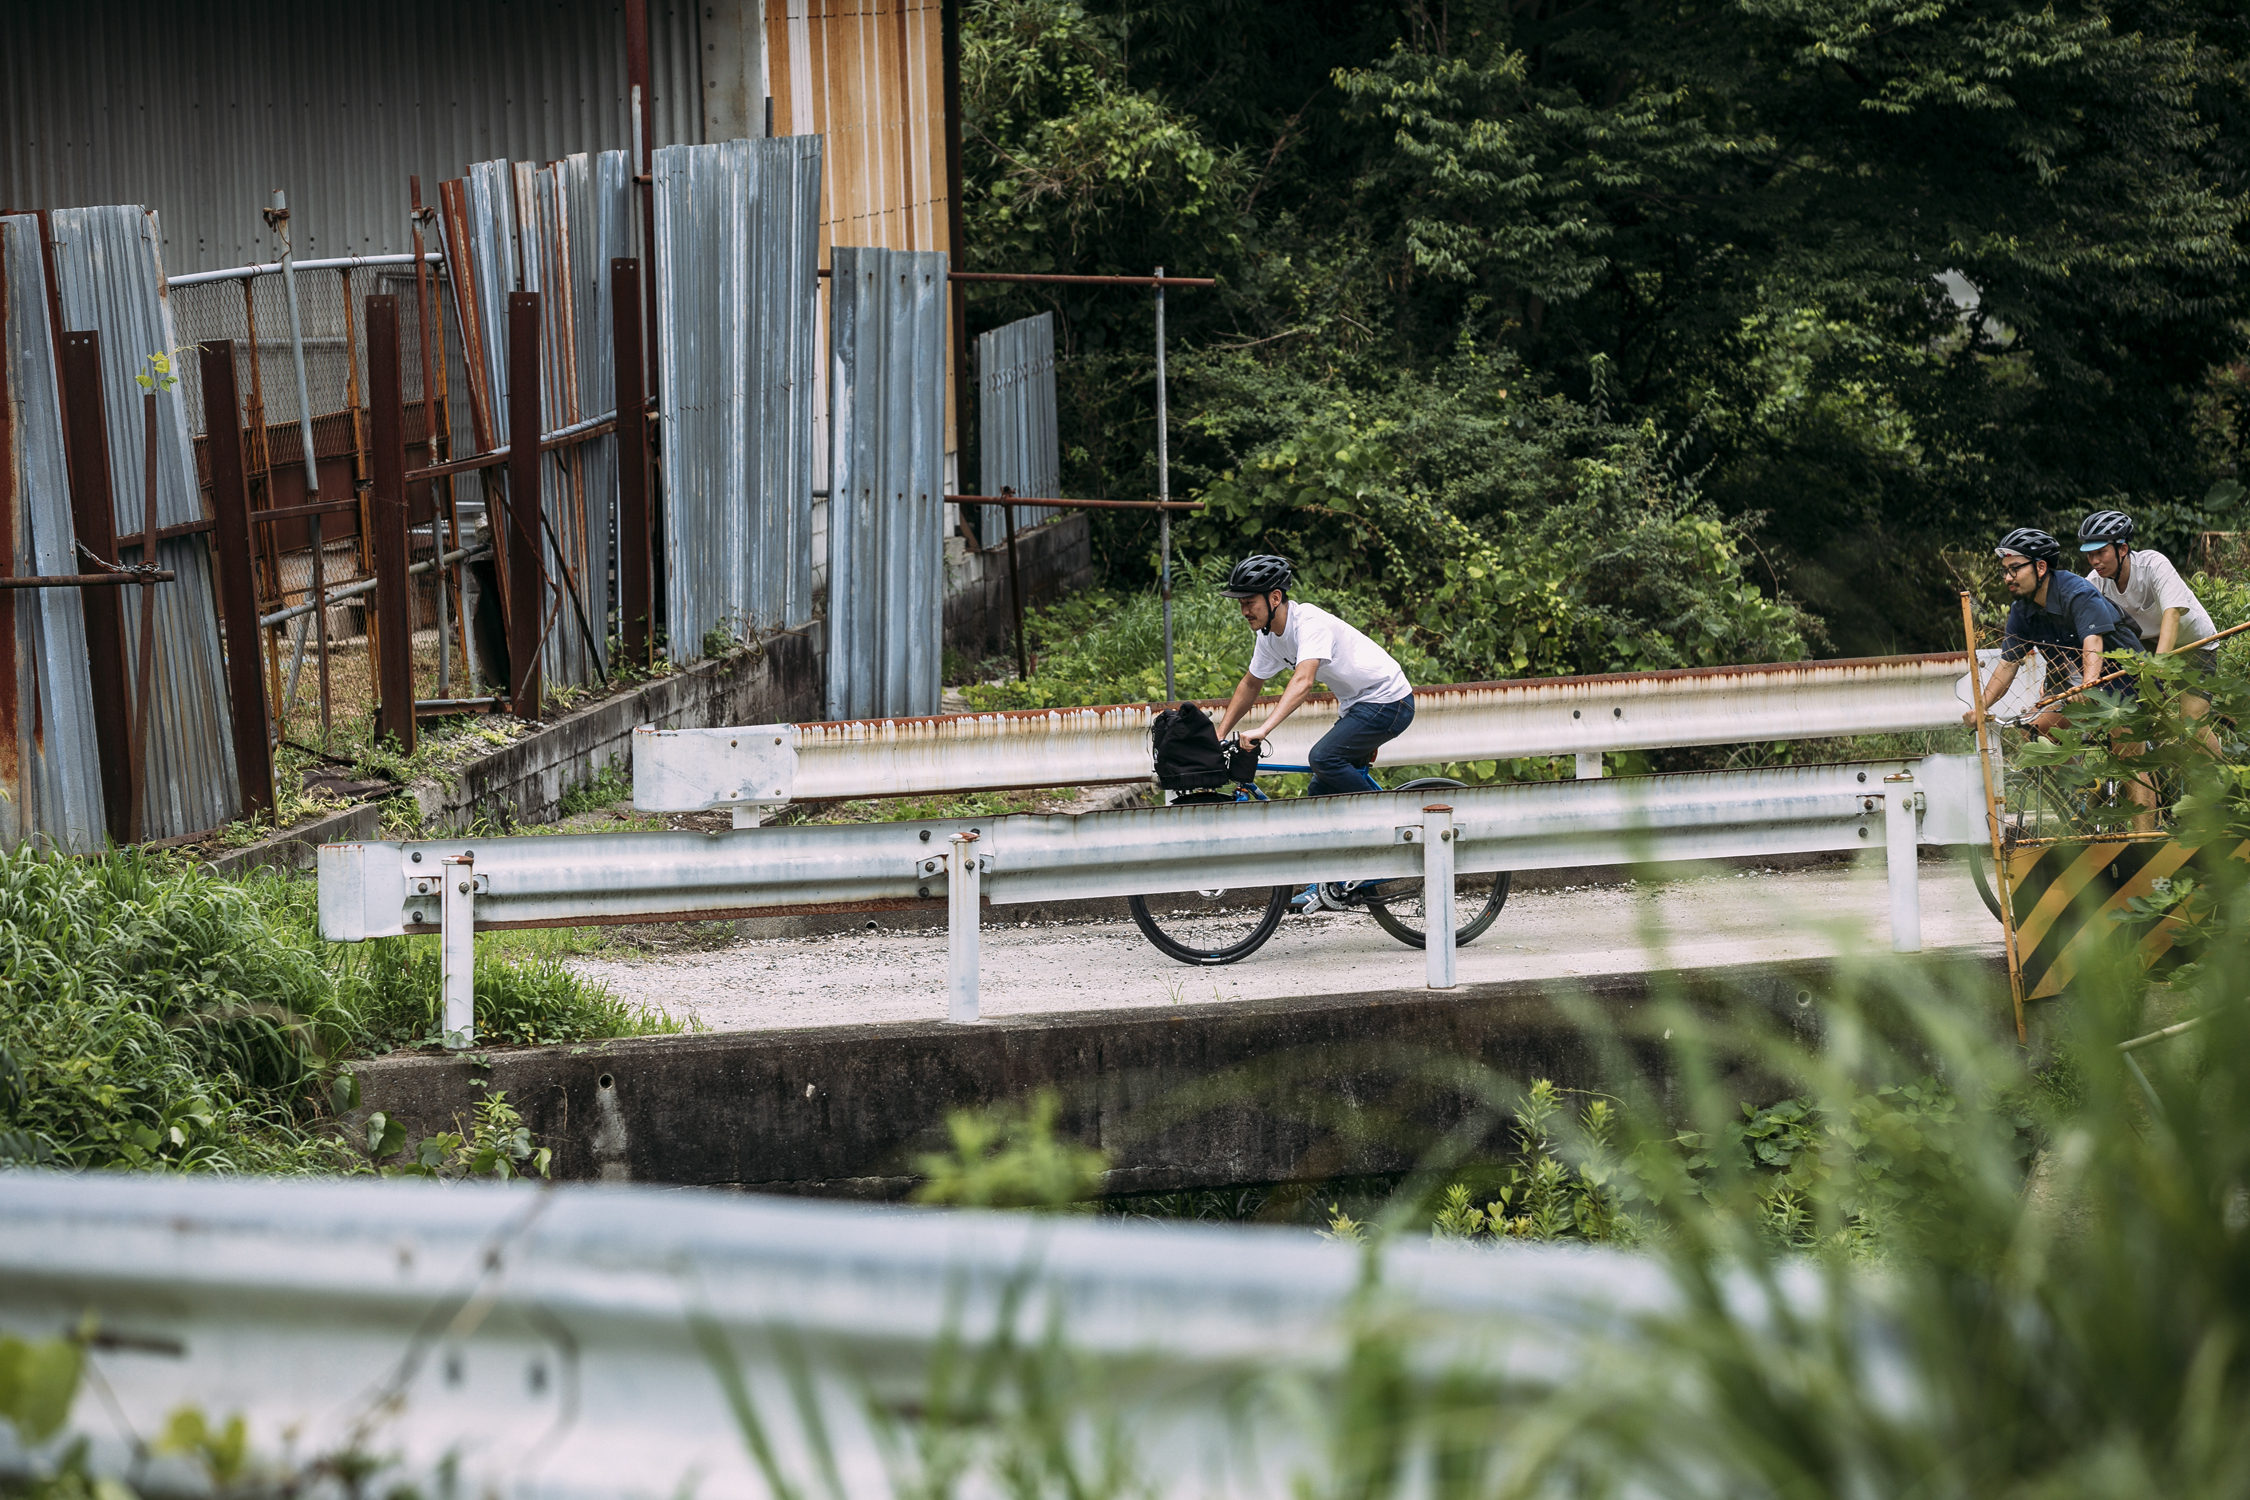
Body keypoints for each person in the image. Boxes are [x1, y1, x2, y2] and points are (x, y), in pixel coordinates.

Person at [1211, 554, 1416, 911]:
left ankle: (1388, 827)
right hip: (1358, 705)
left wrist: (1262, 729)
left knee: (1323, 758)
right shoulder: (1270, 637)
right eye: (1241, 604)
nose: (1244, 610)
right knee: (1321, 790)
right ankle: (1325, 882)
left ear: (1275, 598)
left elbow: (1303, 681)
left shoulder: (1310, 623)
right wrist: (1220, 734)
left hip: (1389, 700)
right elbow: (1251, 683)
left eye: (1249, 602)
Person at [1963, 527, 2143, 732]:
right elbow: (2008, 663)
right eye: (2004, 570)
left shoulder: (2077, 593)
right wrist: (1981, 707)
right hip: (2075, 689)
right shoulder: (2022, 610)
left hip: (2127, 682)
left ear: (2040, 567)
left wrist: (2088, 685)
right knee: (2033, 729)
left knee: (2122, 739)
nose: (2008, 578)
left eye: (2015, 569)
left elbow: (2093, 640)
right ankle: (2071, 765)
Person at [2078, 509, 2224, 752]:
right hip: (2143, 646)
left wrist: (2159, 664)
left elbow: (2172, 614)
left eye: (2101, 552)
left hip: (2194, 646)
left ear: (2122, 549)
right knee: (2134, 720)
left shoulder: (2153, 564)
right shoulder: (2094, 582)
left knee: (2191, 727)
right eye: (2090, 555)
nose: (2095, 561)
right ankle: (2158, 767)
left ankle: (2222, 786)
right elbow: (2087, 629)